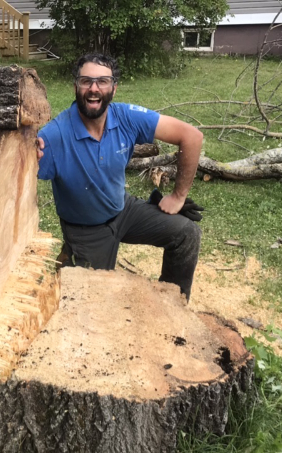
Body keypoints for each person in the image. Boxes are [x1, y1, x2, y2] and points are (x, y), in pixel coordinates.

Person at [36, 53, 204, 300]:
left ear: (114, 88)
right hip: (86, 231)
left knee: (186, 234)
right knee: (91, 307)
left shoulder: (125, 117)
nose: (94, 89)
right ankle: (70, 258)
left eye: (102, 81)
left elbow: (192, 136)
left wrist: (179, 196)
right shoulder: (54, 137)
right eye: (86, 81)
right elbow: (14, 177)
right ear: (75, 86)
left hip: (123, 210)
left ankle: (172, 308)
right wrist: (24, 152)